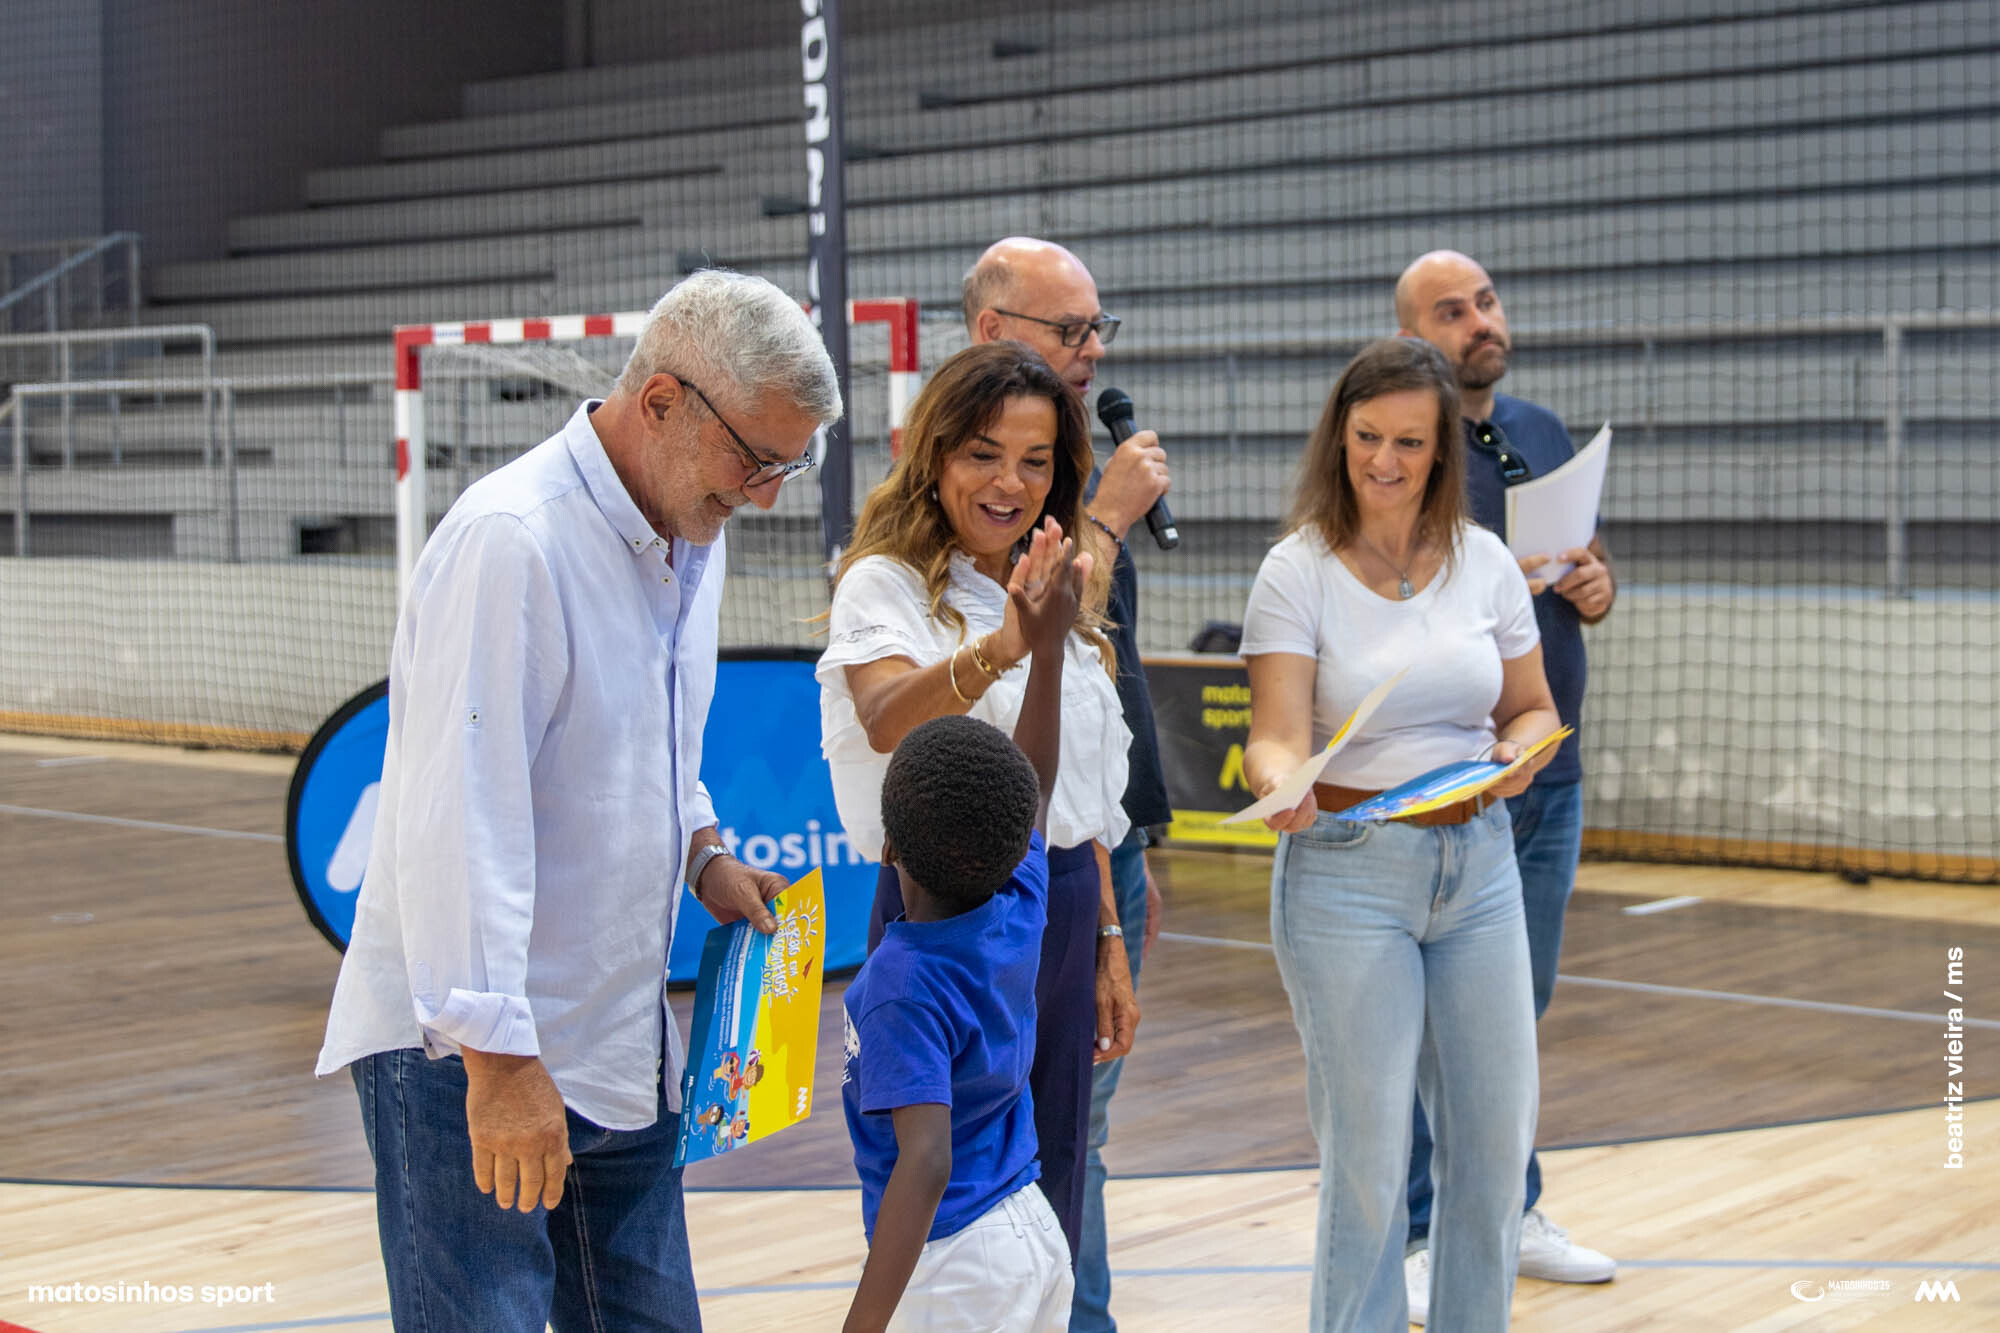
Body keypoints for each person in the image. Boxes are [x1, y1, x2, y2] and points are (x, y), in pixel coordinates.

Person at [315, 269, 841, 1333]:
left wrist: (701, 848)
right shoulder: (513, 539)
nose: (766, 494)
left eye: (787, 466)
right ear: (661, 402)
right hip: (466, 1054)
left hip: (614, 1036)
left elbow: (651, 735)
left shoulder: (690, 530)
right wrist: (499, 1059)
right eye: (756, 459)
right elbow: (460, 816)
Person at [1241, 336, 1562, 1331]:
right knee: (1370, 1161)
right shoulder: (1295, 570)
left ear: (1441, 450)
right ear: (1338, 436)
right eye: (1367, 436)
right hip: (1346, 873)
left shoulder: (1485, 561)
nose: (1384, 460)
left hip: (1480, 866)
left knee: (1494, 1147)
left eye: (1409, 442)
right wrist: (1277, 781)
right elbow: (1272, 733)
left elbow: (1532, 708)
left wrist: (1519, 751)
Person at [817, 339, 1140, 1267]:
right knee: (943, 1184)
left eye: (1036, 460)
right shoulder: (883, 581)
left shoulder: (1052, 575)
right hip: (943, 910)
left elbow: (1073, 792)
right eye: (984, 453)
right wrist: (1003, 646)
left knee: (1058, 1170)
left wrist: (1107, 933)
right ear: (935, 454)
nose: (1011, 483)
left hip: (1061, 900)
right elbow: (885, 716)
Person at [1395, 249, 1618, 1320]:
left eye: (1483, 302)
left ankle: (1508, 1208)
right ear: (1411, 339)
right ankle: (1420, 1228)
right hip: (1456, 783)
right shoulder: (1404, 450)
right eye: (1451, 312)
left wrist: (1595, 581)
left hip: (1549, 769)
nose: (1479, 321)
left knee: (1512, 1014)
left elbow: (1585, 569)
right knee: (1428, 1023)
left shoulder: (1537, 429)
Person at [962, 235, 1172, 1330]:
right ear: (993, 330)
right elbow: (1019, 637)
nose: (1093, 350)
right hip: (1011, 857)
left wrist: (1128, 845)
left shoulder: (1076, 459)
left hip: (1096, 840)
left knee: (1080, 1124)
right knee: (1026, 1128)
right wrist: (1107, 522)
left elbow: (1097, 682)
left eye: (1099, 328)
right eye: (1071, 329)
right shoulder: (982, 482)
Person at [840, 520, 1089, 1333]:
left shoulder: (898, 985)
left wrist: (863, 1323)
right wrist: (1048, 651)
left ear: (890, 847)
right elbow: (1035, 784)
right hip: (1032, 1228)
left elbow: (926, 1158)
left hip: (953, 1260)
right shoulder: (1017, 901)